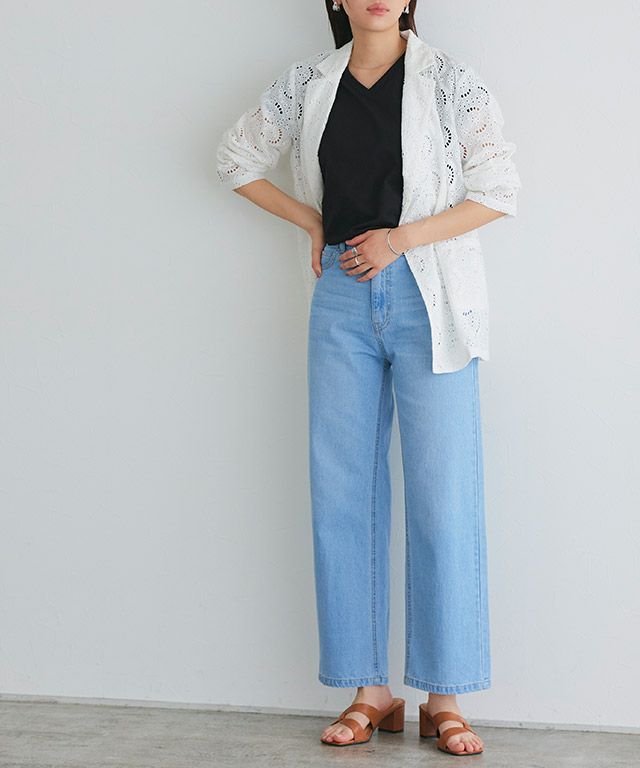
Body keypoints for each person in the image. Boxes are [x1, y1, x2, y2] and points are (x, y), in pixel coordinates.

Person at [216, 0, 521, 757]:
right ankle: (369, 691)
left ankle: (444, 696)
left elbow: (498, 191)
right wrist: (313, 221)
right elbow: (234, 159)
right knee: (342, 493)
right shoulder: (308, 82)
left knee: (443, 495)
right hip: (341, 298)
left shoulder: (452, 80)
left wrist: (400, 239)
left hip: (431, 296)